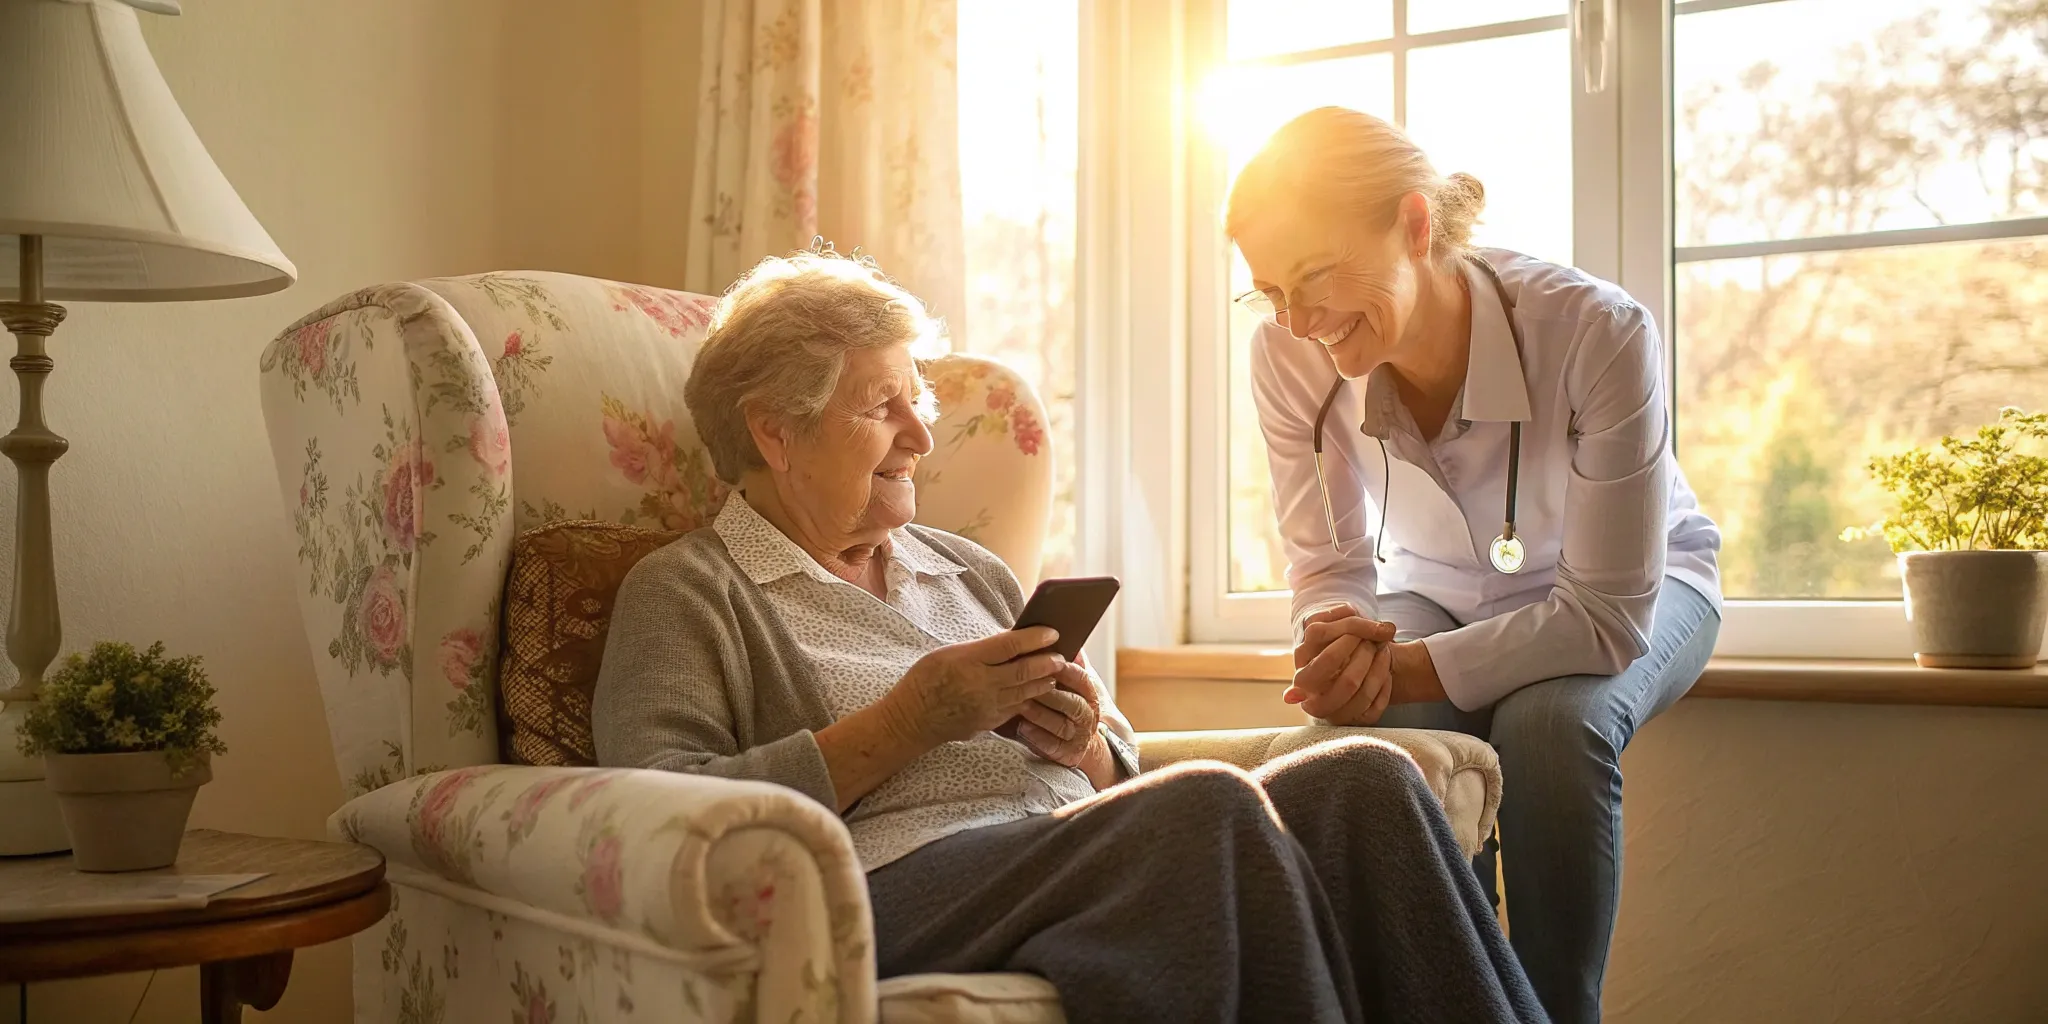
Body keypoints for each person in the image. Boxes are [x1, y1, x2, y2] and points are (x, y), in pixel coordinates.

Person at [593, 246, 1546, 1024]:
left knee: (1364, 783)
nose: (921, 437)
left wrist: (1085, 742)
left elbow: (1121, 774)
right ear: (774, 431)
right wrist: (906, 724)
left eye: (914, 400)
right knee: (1205, 805)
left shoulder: (963, 568)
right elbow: (659, 824)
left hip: (1056, 843)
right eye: (882, 407)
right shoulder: (689, 592)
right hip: (879, 884)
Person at [1225, 107, 1723, 1024]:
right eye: (1268, 293)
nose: (1296, 323)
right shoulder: (1285, 358)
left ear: (1417, 226)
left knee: (1546, 727)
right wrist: (1333, 641)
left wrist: (1409, 661)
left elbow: (1605, 616)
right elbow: (1330, 564)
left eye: (1315, 276)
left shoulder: (1597, 331)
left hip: (1636, 590)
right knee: (1378, 730)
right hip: (1437, 589)